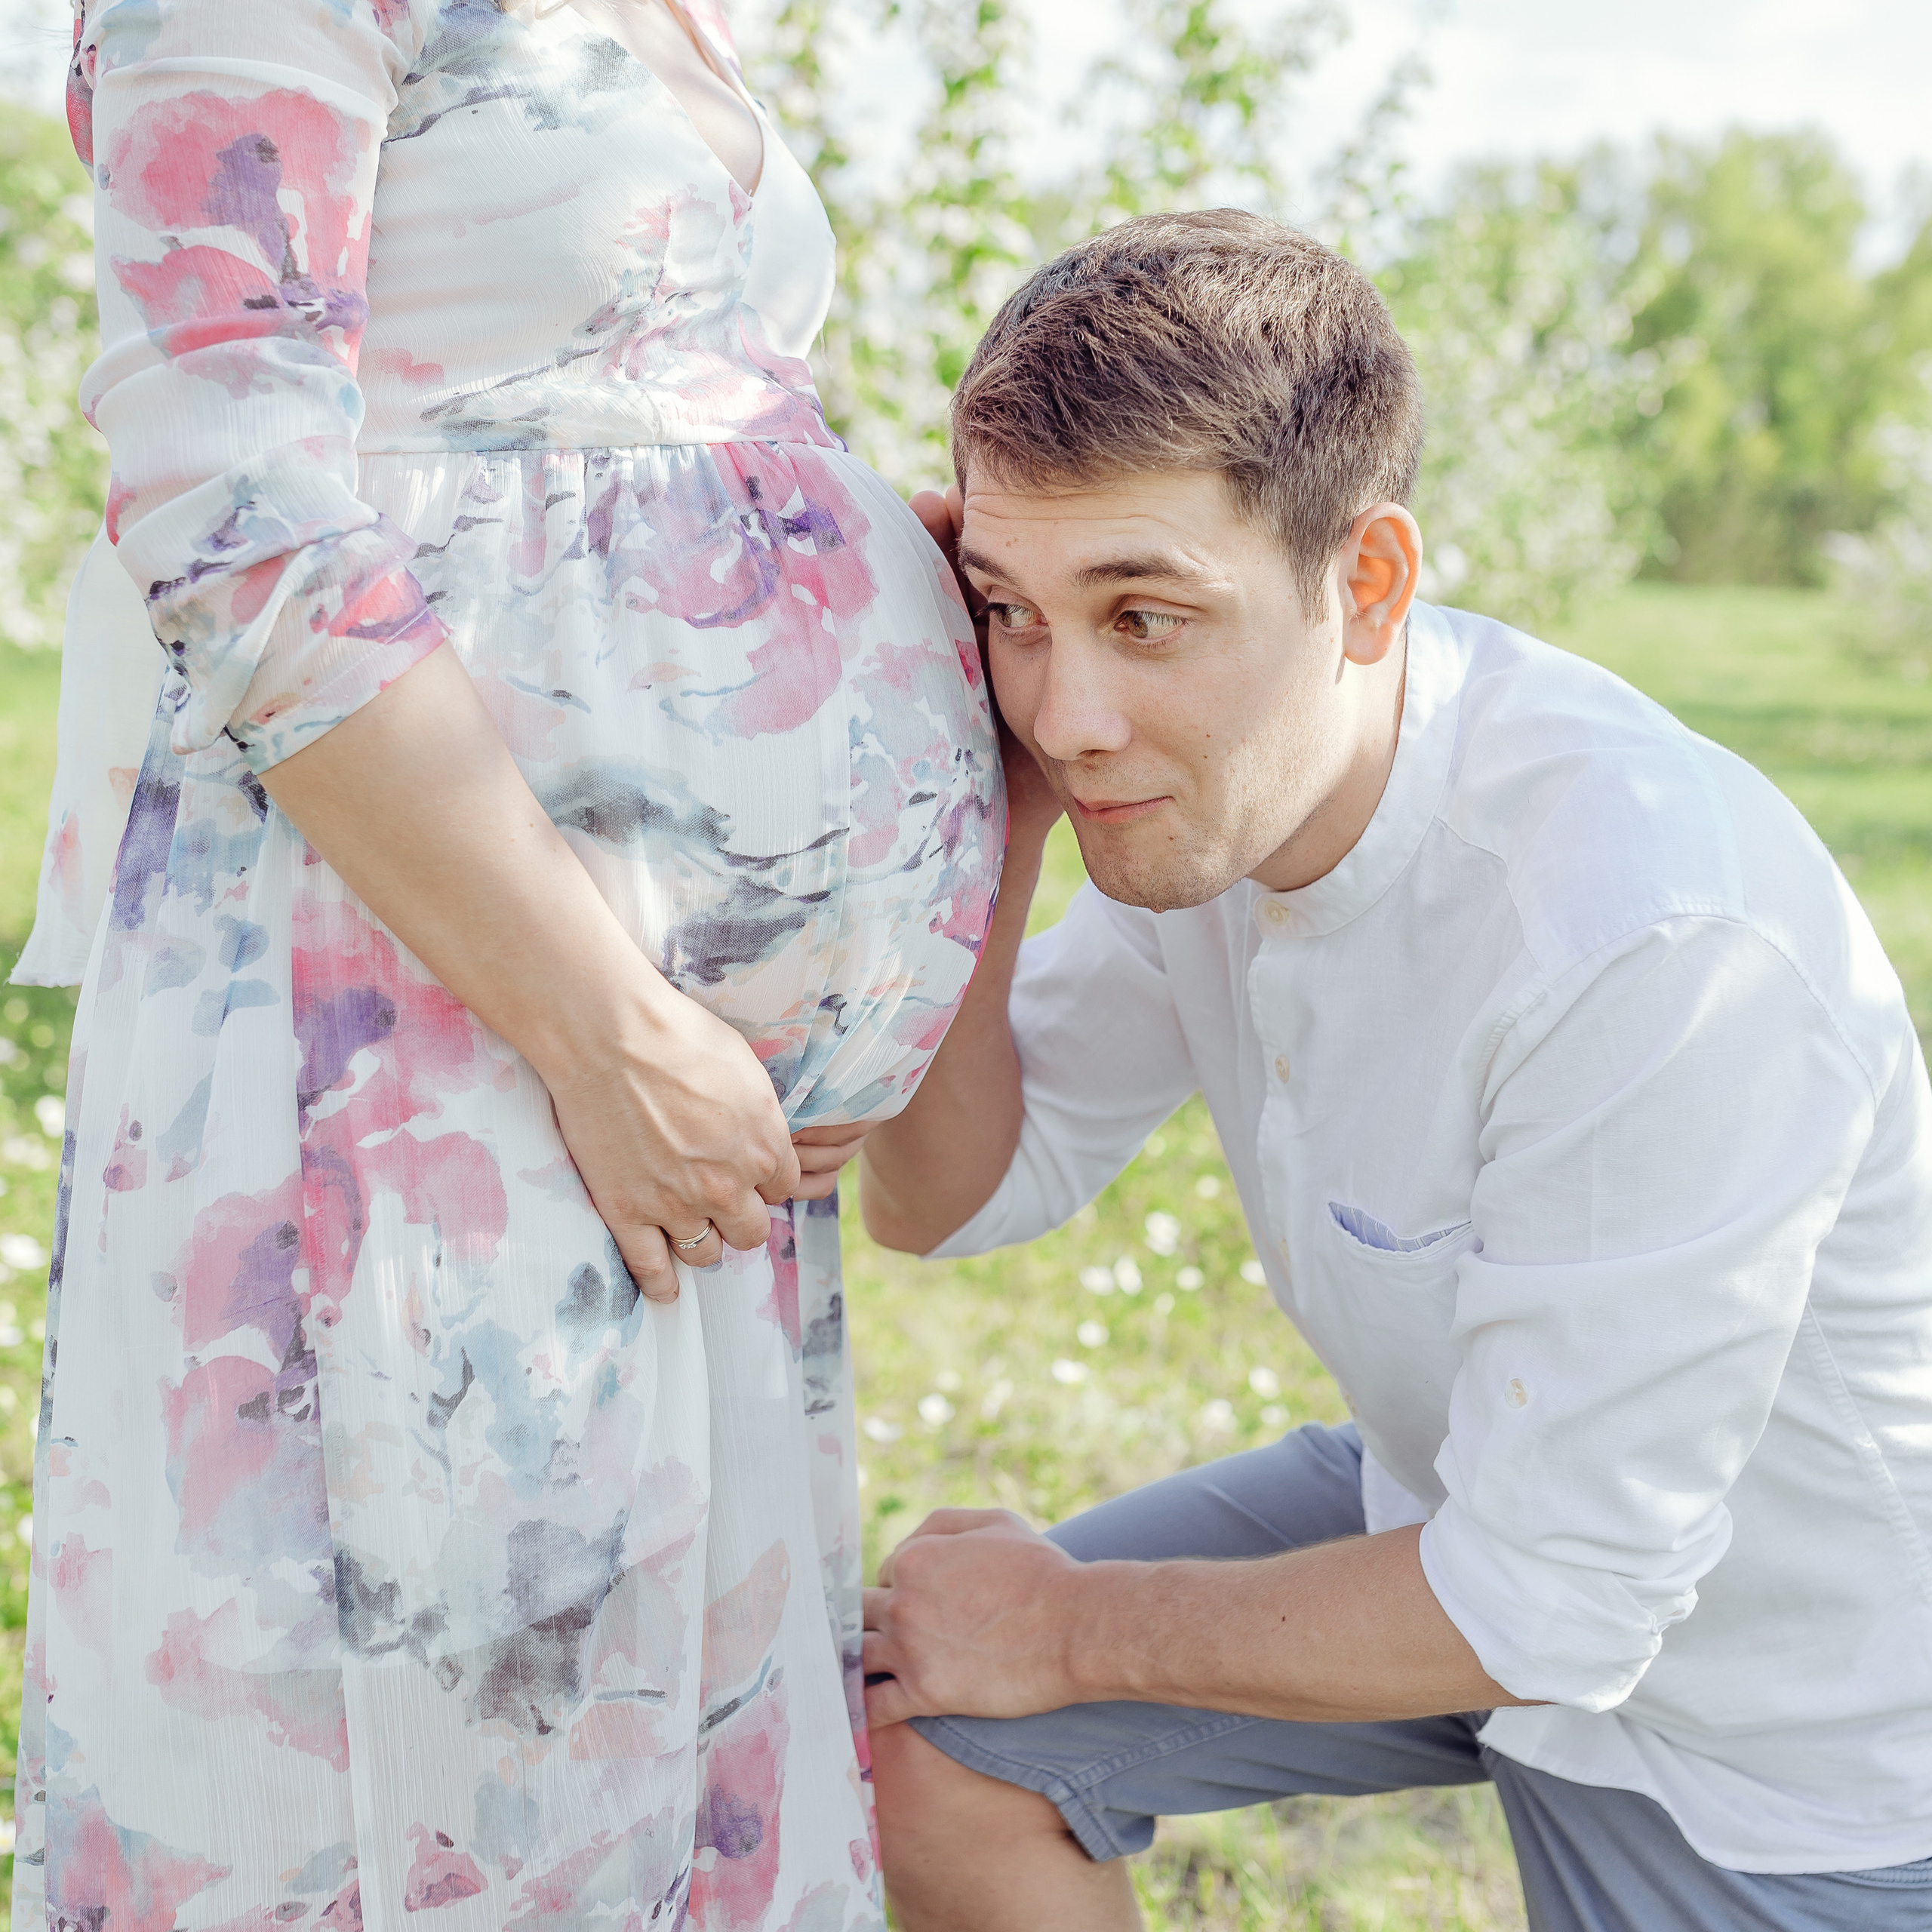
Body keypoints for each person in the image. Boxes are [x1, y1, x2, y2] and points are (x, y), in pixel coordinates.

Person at [13, 2, 1000, 1927]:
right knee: (436, 1717)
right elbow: (231, 510)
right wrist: (606, 1021)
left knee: (635, 1721)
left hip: (658, 1075)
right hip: (425, 983)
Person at [856, 211, 1932, 1931]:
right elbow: (944, 1192)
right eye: (1010, 611)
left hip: (1793, 1758)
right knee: (930, 1732)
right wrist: (984, 830)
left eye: (1143, 614)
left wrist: (1060, 1622)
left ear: (1362, 585)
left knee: (1004, 1663)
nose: (1062, 710)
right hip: (1462, 1518)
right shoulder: (1216, 796)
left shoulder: (1649, 936)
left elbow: (1553, 1604)